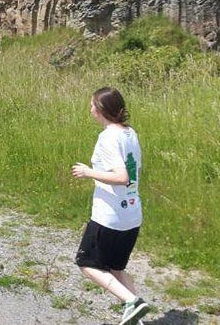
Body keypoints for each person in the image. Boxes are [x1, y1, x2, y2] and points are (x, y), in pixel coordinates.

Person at [72, 87, 150, 325]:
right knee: (116, 268)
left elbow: (122, 176)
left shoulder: (107, 137)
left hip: (110, 216)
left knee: (86, 263)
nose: (90, 109)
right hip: (132, 213)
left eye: (93, 105)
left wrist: (88, 172)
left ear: (103, 109)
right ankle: (137, 313)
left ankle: (132, 302)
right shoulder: (129, 133)